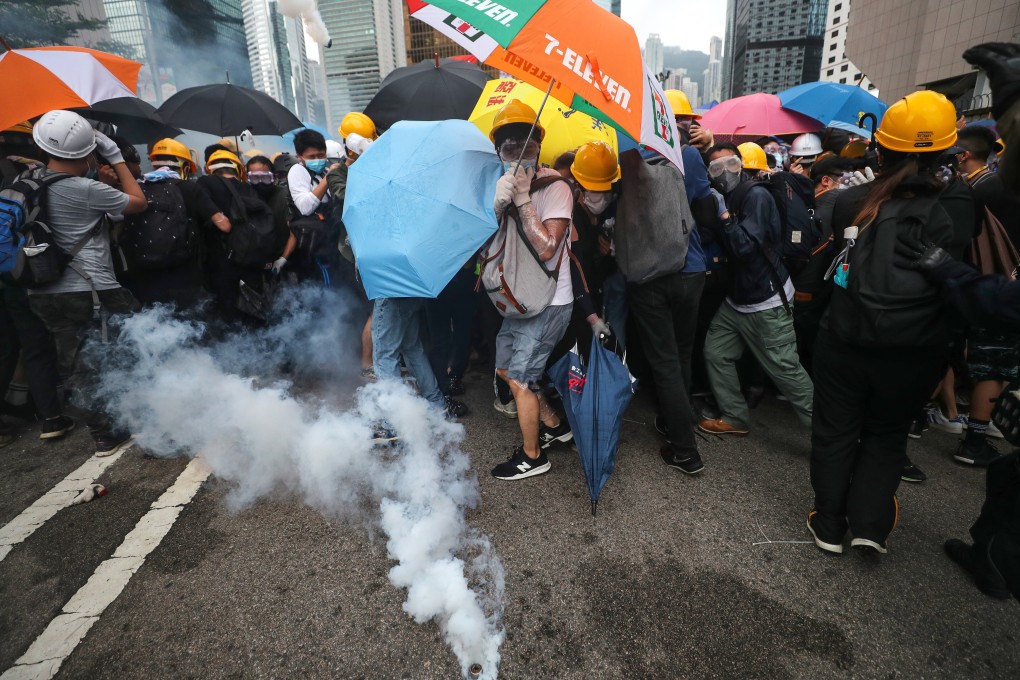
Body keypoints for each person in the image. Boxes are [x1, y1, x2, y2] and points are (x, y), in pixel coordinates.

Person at [806, 91, 958, 556]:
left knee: (835, 431)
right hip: (913, 349)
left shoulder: (853, 201)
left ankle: (829, 523)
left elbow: (832, 262)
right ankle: (870, 525)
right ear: (947, 152)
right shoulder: (955, 208)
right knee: (886, 434)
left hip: (845, 337)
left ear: (880, 148)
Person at [25, 110, 148, 456]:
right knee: (140, 339)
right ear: (88, 153)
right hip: (92, 287)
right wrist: (116, 157)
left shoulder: (26, 183)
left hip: (41, 290)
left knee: (77, 361)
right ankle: (148, 415)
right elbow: (138, 202)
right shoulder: (85, 188)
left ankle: (105, 432)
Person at [486, 100, 575, 481]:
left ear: (539, 148)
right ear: (498, 151)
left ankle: (533, 456)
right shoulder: (498, 185)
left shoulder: (556, 187)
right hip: (516, 299)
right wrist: (496, 206)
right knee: (506, 367)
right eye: (509, 147)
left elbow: (547, 248)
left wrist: (523, 200)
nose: (518, 153)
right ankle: (555, 424)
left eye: (527, 145)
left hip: (549, 300)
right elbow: (482, 243)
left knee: (521, 379)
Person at [699, 142, 814, 436]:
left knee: (785, 370)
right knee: (716, 352)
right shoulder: (725, 196)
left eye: (731, 164)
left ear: (742, 166)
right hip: (738, 299)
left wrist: (724, 218)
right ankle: (734, 416)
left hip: (766, 299)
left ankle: (828, 436)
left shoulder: (756, 197)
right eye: (716, 168)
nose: (725, 172)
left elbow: (744, 248)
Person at [0, 121, 73, 442]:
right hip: (34, 270)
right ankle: (56, 412)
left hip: (10, 275)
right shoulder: (28, 173)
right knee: (52, 340)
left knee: (24, 346)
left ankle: (48, 414)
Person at [326, 112, 379, 380]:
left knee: (378, 308)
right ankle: (366, 364)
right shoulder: (339, 173)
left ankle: (376, 360)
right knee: (374, 309)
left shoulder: (374, 168)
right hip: (351, 252)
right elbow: (348, 199)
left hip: (372, 247)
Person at [286, 129, 342, 286]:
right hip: (311, 249)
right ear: (300, 156)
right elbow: (305, 207)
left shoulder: (325, 171)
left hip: (330, 244)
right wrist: (328, 179)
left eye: (321, 155)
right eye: (312, 157)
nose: (317, 160)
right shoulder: (297, 171)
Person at [246, 155, 296, 278]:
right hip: (254, 264)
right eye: (254, 178)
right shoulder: (245, 197)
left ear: (274, 177)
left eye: (265, 177)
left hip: (284, 260)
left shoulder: (285, 196)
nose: (260, 182)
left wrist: (283, 258)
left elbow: (294, 232)